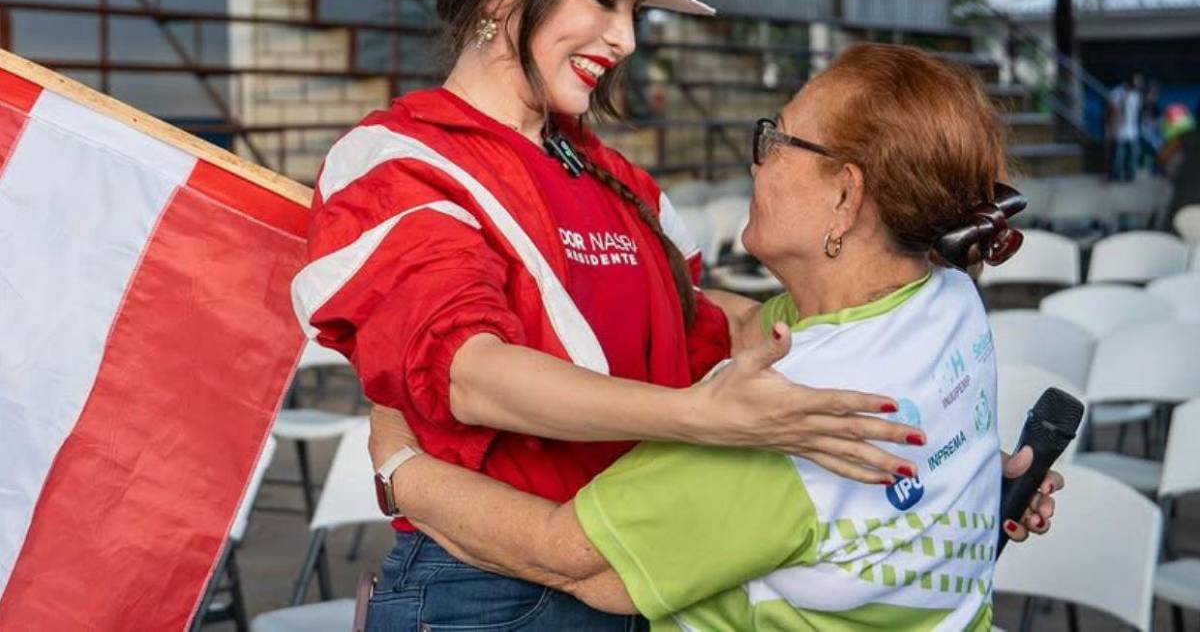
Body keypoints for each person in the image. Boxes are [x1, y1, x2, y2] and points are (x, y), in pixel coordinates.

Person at [295, 0, 1058, 630]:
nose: (626, 39)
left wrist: (951, 467)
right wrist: (702, 418)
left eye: (633, 8)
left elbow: (707, 321)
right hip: (490, 582)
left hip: (645, 561)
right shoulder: (404, 159)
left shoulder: (621, 183)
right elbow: (469, 374)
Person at [369, 44, 1060, 630]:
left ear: (847, 197)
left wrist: (401, 462)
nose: (757, 162)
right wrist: (958, 478)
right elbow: (748, 322)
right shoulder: (943, 296)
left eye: (777, 140)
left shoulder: (790, 417)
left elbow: (571, 558)